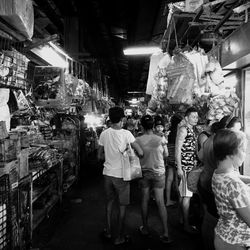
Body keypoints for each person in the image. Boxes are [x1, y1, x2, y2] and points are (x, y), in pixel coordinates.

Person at [97, 106, 143, 245]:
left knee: (110, 202)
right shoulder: (127, 134)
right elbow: (140, 153)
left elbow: (99, 156)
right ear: (122, 118)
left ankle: (109, 231)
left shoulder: (104, 134)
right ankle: (119, 237)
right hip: (122, 175)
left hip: (108, 174)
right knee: (122, 206)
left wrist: (110, 156)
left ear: (110, 118)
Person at [136, 115, 172, 243]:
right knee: (160, 202)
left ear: (141, 126)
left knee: (144, 200)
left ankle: (145, 228)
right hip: (159, 173)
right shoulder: (161, 139)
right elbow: (166, 154)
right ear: (153, 126)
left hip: (144, 173)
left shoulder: (138, 140)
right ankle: (166, 233)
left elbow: (136, 155)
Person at [212, 129, 250, 250]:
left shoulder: (218, 173)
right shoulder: (234, 185)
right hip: (235, 243)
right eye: (243, 150)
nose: (245, 154)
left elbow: (236, 177)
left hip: (222, 235)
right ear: (231, 154)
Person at [175, 107, 199, 233]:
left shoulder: (191, 130)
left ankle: (181, 219)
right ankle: (186, 225)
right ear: (186, 117)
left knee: (183, 194)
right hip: (185, 167)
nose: (196, 119)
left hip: (189, 166)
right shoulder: (184, 130)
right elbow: (178, 149)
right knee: (187, 196)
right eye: (193, 116)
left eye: (197, 116)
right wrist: (179, 167)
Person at [165, 114, 182, 206]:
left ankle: (168, 200)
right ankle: (179, 202)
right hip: (176, 157)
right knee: (177, 180)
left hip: (169, 157)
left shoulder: (168, 131)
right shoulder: (179, 132)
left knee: (169, 179)